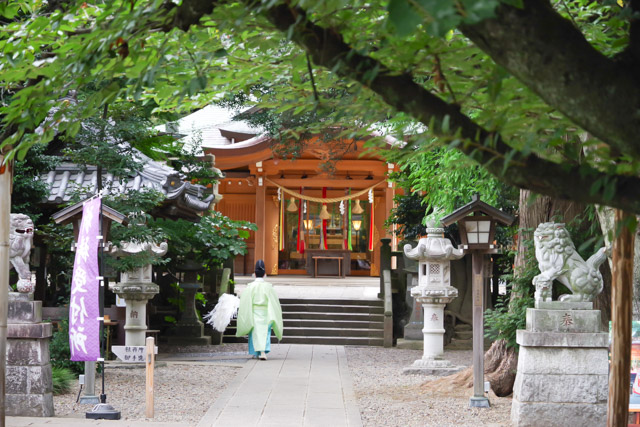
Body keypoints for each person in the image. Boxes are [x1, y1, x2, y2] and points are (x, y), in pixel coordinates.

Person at [236, 260, 283, 360]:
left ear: (254, 274)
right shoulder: (268, 287)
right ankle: (263, 352)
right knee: (265, 332)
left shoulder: (250, 287)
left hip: (254, 312)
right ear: (265, 274)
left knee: (254, 333)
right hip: (266, 312)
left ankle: (256, 352)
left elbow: (245, 302)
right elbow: (274, 302)